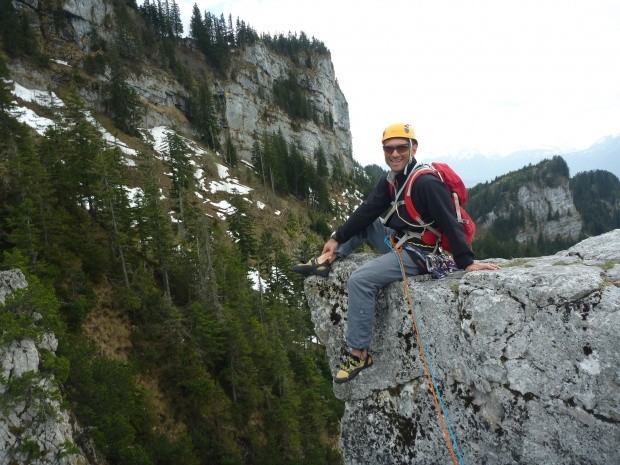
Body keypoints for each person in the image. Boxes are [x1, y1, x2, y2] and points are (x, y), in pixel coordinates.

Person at [292, 122, 500, 383]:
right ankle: (328, 259)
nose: (394, 154)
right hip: (400, 242)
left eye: (401, 147)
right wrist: (336, 238)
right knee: (368, 222)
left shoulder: (425, 183)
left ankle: (358, 352)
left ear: (414, 148)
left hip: (421, 255)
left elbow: (449, 222)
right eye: (388, 149)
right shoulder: (392, 181)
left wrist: (467, 262)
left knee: (360, 279)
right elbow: (367, 210)